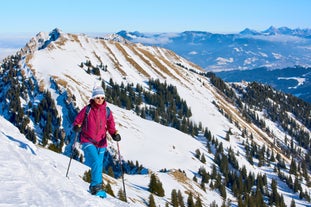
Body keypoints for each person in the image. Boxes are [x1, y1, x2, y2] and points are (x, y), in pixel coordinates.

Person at [72, 85, 121, 197]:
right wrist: (76, 127)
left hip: (102, 142)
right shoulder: (87, 109)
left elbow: (110, 125)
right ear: (93, 98)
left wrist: (114, 134)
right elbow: (77, 120)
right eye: (97, 97)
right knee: (96, 161)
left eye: (102, 98)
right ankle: (96, 188)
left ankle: (96, 187)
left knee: (99, 164)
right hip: (87, 140)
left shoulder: (107, 111)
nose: (100, 100)